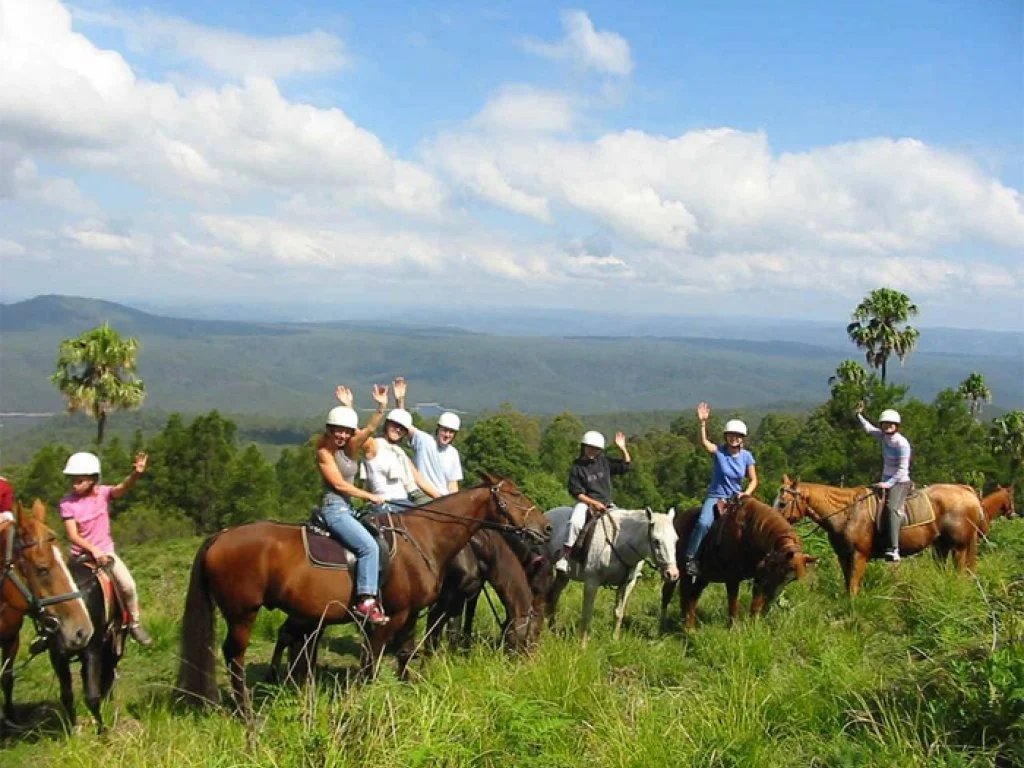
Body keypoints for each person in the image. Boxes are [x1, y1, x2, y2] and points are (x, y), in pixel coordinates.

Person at [59, 451, 153, 646]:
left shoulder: (103, 494)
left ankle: (134, 623)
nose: (74, 485)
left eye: (79, 481)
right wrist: (93, 550)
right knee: (55, 590)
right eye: (72, 480)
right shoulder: (67, 503)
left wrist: (136, 474)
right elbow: (72, 535)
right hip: (80, 556)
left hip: (106, 552)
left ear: (93, 479)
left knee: (128, 585)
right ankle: (51, 632)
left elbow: (122, 488)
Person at [316, 385, 392, 625]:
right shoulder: (324, 453)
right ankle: (365, 600)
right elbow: (339, 485)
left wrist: (381, 407)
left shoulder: (348, 448)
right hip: (334, 508)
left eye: (346, 432)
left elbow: (370, 429)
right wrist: (369, 496)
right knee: (368, 547)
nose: (342, 436)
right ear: (329, 430)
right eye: (337, 431)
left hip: (348, 508)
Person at [684, 403, 758, 579]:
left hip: (736, 498)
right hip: (716, 497)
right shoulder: (720, 452)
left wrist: (746, 492)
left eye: (737, 436)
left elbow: (754, 479)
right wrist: (703, 423)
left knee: (753, 524)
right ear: (726, 436)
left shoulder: (747, 456)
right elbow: (704, 443)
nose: (734, 438)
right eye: (731, 435)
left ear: (742, 438)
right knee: (703, 523)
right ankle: (690, 558)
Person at [556, 430, 631, 573]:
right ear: (583, 447)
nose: (592, 451)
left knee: (624, 524)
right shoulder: (577, 467)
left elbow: (626, 466)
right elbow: (577, 493)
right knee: (574, 523)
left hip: (607, 504)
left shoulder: (604, 461)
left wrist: (622, 448)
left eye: (596, 449)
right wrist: (593, 503)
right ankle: (565, 556)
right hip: (586, 504)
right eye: (590, 447)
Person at [856, 401, 911, 563]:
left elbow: (902, 469)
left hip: (900, 482)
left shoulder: (902, 444)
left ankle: (894, 548)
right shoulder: (883, 437)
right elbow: (869, 428)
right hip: (885, 479)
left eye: (891, 424)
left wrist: (888, 484)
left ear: (896, 426)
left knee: (892, 509)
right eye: (885, 424)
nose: (887, 426)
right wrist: (859, 414)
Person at [362, 404, 443, 511]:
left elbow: (420, 480)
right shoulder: (374, 445)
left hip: (404, 503)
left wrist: (443, 501)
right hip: (384, 502)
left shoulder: (400, 453)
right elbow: (364, 433)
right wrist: (381, 407)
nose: (398, 430)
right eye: (395, 425)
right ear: (387, 424)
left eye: (402, 428)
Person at [392, 377, 464, 495]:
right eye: (445, 430)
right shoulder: (424, 440)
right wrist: (400, 400)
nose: (447, 435)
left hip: (442, 499)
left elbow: (452, 484)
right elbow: (405, 422)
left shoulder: (453, 453)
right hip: (421, 495)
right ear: (438, 429)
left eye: (451, 432)